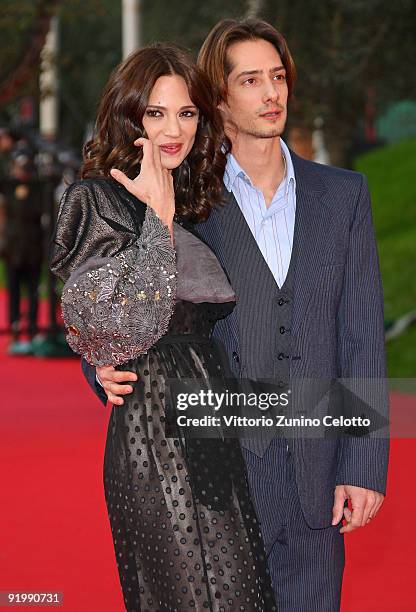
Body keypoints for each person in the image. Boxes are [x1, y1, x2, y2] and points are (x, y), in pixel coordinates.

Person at [86, 20, 390, 611]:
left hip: (318, 475)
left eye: (278, 77)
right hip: (215, 474)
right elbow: (119, 301)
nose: (272, 92)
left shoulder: (344, 194)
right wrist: (101, 366)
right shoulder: (185, 199)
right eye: (251, 80)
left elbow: (361, 336)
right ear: (218, 97)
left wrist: (366, 463)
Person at [50, 43, 277, 612]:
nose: (173, 129)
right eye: (155, 113)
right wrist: (158, 221)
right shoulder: (95, 199)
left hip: (216, 413)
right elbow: (110, 323)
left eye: (187, 113)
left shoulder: (200, 198)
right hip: (153, 420)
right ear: (129, 116)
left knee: (239, 592)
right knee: (187, 593)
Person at [1, 149, 43, 354]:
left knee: (33, 291)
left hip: (33, 246)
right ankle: (16, 326)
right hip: (13, 247)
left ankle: (34, 328)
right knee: (14, 289)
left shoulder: (39, 188)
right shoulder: (8, 186)